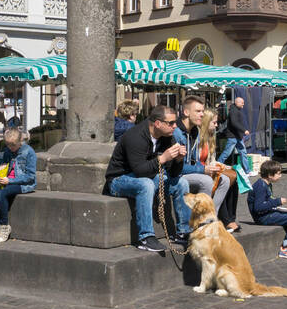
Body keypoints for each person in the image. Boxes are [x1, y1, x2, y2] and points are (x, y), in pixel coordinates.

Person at [104, 104, 186, 252]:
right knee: (146, 184)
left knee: (181, 183)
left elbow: (173, 174)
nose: (175, 126)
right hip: (118, 180)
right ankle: (146, 237)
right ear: (158, 123)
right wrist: (163, 158)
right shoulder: (135, 136)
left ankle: (183, 231)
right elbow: (140, 170)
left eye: (176, 122)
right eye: (171, 123)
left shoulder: (167, 137)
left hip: (146, 176)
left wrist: (178, 160)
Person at [170, 95, 232, 243]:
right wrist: (203, 169)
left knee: (225, 180)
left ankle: (211, 218)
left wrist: (206, 168)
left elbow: (195, 161)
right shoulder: (177, 133)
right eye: (198, 111)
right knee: (205, 180)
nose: (202, 114)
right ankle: (201, 223)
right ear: (186, 112)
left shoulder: (195, 131)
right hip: (176, 174)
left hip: (189, 171)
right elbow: (176, 167)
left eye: (202, 111)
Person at [248, 159, 287, 259]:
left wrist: (281, 208)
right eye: (278, 174)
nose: (280, 176)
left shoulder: (266, 184)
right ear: (270, 175)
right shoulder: (260, 186)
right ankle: (286, 247)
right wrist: (277, 202)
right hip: (263, 217)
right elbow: (258, 207)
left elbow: (267, 201)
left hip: (267, 213)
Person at [0, 126, 37, 242]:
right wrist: (2, 168)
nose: (10, 148)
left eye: (13, 145)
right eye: (8, 145)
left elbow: (30, 177)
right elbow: (5, 164)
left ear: (20, 141)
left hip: (23, 184)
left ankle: (4, 225)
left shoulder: (29, 152)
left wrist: (10, 181)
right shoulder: (8, 151)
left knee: (2, 193)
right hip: (6, 179)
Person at [217, 95, 248, 164]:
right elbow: (234, 123)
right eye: (242, 102)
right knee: (227, 153)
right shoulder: (233, 111)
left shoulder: (236, 110)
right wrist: (244, 130)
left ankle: (247, 171)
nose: (243, 104)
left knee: (243, 153)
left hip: (237, 136)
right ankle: (217, 165)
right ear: (237, 103)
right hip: (233, 136)